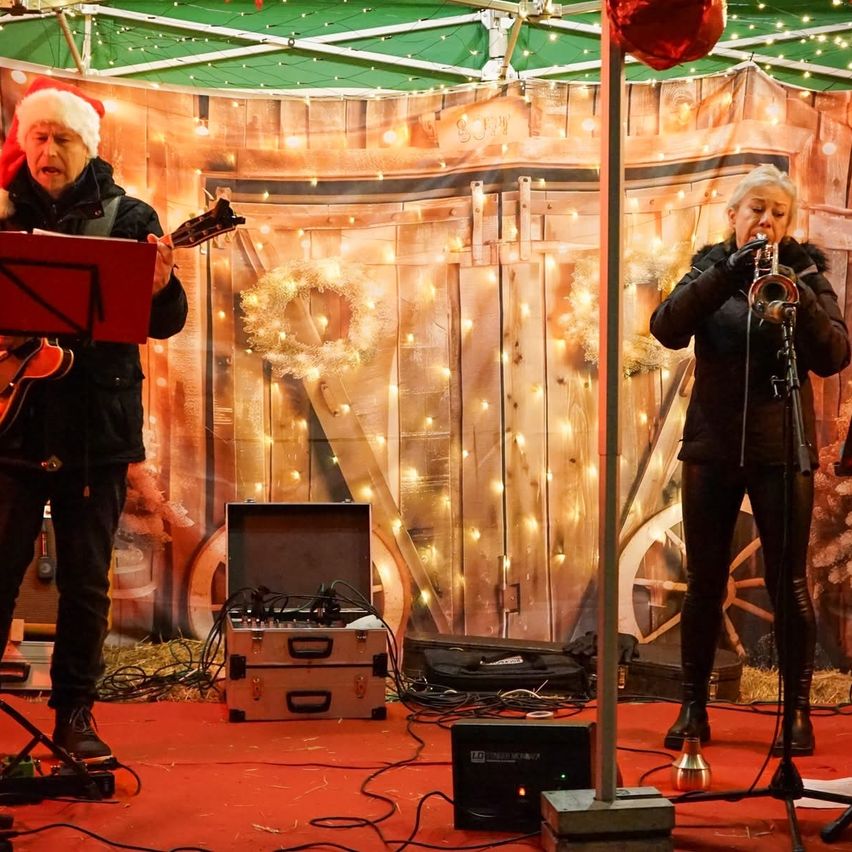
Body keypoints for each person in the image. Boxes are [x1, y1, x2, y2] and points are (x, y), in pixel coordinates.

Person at [0, 77, 187, 761]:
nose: (47, 150)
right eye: (38, 137)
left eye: (62, 138)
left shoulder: (130, 216)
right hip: (13, 429)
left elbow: (166, 322)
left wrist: (162, 286)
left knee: (85, 583)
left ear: (88, 146)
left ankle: (74, 714)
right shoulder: (1, 215)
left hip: (96, 432)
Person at [650, 163, 850, 757]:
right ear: (733, 215)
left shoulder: (806, 270)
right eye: (756, 209)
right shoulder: (709, 266)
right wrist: (726, 273)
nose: (766, 220)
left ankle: (796, 712)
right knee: (704, 582)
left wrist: (799, 295)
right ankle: (693, 706)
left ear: (790, 222)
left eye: (778, 213)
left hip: (780, 447)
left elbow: (834, 355)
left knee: (790, 584)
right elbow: (667, 327)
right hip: (711, 447)